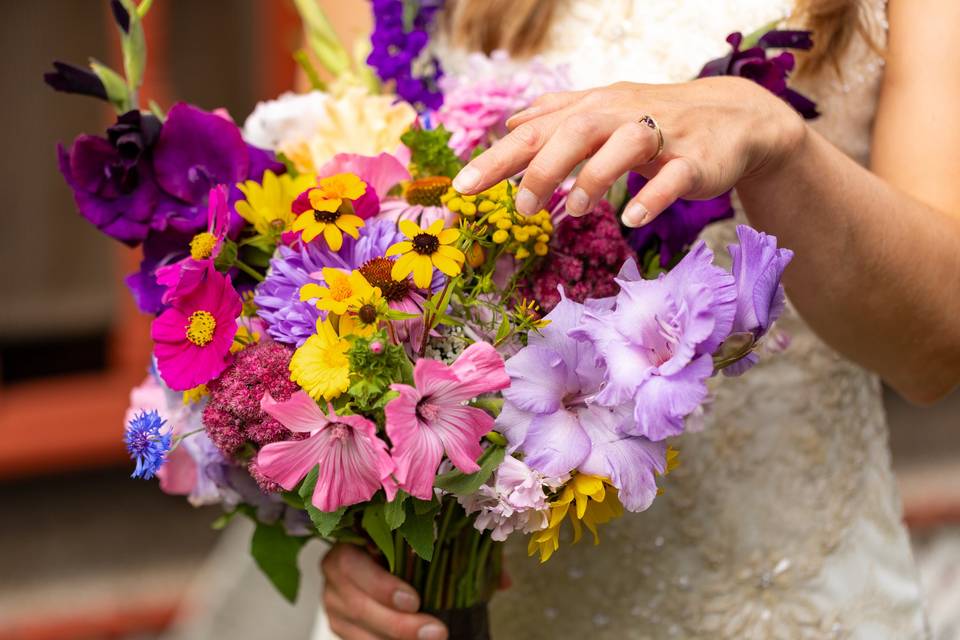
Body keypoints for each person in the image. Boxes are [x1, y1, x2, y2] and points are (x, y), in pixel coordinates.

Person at [317, 0, 960, 638]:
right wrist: (361, 538)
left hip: (782, 588)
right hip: (470, 585)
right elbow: (335, 283)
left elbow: (934, 353)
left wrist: (780, 142)